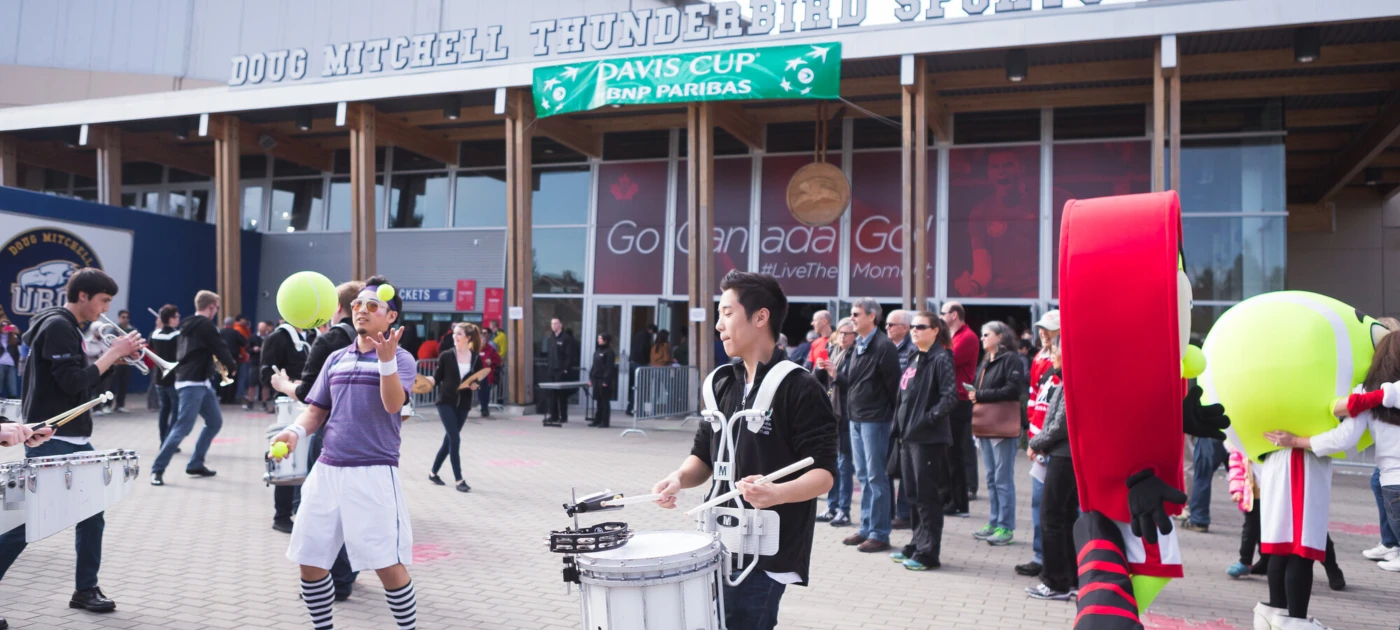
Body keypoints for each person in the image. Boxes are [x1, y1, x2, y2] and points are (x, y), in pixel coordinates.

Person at [651, 270, 837, 630]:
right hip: (716, 542)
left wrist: (777, 492)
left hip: (766, 551)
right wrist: (677, 478)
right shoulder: (722, 383)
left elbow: (824, 474)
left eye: (727, 313)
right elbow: (703, 457)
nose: (719, 325)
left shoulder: (801, 388)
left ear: (760, 317)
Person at [270, 276, 420, 630]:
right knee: (310, 561)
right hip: (326, 470)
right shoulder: (336, 357)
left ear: (391, 317)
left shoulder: (402, 359)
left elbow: (393, 405)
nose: (361, 311)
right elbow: (317, 409)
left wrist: (386, 363)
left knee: (386, 564)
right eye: (357, 305)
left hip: (373, 472)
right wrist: (293, 431)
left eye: (372, 306)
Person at [1, 268, 138, 621]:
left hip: (73, 439)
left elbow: (79, 386)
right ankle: (85, 587)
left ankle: (85, 588)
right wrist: (110, 356)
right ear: (83, 296)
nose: (106, 309)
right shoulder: (59, 326)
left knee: (92, 514)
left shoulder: (66, 327)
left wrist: (110, 362)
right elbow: (73, 382)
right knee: (24, 523)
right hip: (52, 440)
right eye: (103, 301)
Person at [270, 280, 364, 599]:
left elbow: (312, 395)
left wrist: (283, 384)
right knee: (351, 507)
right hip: (366, 438)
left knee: (325, 509)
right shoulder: (373, 338)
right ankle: (348, 572)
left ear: (335, 306)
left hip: (330, 430)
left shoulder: (332, 340)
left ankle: (337, 581)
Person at [888, 312, 956, 571]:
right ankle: (917, 543)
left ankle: (929, 552)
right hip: (909, 438)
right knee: (913, 494)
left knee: (927, 497)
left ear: (935, 330)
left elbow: (949, 398)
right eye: (913, 327)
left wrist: (925, 420)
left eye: (920, 326)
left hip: (928, 438)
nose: (914, 330)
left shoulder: (941, 358)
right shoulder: (915, 357)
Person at [150, 291, 236, 486]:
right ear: (211, 306)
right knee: (182, 427)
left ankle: (196, 463)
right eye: (216, 308)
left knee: (214, 422)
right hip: (192, 383)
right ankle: (157, 470)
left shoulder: (186, 324)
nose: (216, 311)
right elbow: (220, 346)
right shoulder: (205, 325)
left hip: (200, 381)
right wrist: (232, 365)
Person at [840, 298, 902, 553]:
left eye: (856, 314)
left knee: (877, 477)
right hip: (857, 417)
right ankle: (867, 527)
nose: (852, 318)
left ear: (871, 317)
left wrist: (888, 417)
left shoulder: (884, 346)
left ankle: (879, 533)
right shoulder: (858, 345)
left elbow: (893, 386)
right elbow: (854, 381)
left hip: (876, 420)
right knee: (864, 476)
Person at [1026, 338, 1076, 600]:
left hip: (1064, 456)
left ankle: (1056, 582)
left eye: (1056, 349)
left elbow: (1060, 425)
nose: (1052, 355)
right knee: (1065, 518)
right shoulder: (1065, 380)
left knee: (1052, 518)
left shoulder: (1073, 381)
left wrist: (1036, 443)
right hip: (1063, 454)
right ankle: (1070, 579)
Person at [954, 149, 1039, 298]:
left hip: (1036, 290)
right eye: (994, 167)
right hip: (1000, 293)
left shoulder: (1043, 202)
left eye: (1008, 165)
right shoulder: (980, 211)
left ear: (1021, 168)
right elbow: (982, 271)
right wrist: (972, 286)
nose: (1001, 172)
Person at [970, 320, 1025, 547]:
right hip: (987, 425)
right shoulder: (986, 362)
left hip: (1002, 426)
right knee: (992, 478)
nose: (982, 338)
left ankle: (1006, 526)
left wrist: (980, 395)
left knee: (1003, 479)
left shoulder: (1010, 359)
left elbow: (1013, 389)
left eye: (986, 335)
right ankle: (994, 522)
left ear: (1000, 337)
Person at [1018, 309, 1060, 577]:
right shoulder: (1038, 359)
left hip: (1056, 444)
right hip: (1040, 443)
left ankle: (1058, 558)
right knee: (1038, 503)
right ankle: (1040, 554)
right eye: (1041, 328)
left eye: (1049, 329)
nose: (1042, 333)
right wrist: (1033, 436)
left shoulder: (1063, 360)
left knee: (1057, 507)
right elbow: (1034, 399)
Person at [261, 316, 309, 533]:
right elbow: (265, 373)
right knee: (288, 461)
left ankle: (300, 510)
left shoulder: (311, 335)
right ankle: (281, 515)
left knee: (307, 461)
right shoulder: (279, 337)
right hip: (289, 407)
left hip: (310, 406)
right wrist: (287, 383)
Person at [427, 322, 481, 493]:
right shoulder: (446, 355)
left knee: (449, 440)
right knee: (455, 439)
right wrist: (424, 382)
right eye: (454, 334)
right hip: (446, 402)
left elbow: (477, 380)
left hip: (464, 404)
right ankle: (459, 480)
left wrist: (475, 386)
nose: (455, 337)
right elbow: (437, 378)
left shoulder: (475, 358)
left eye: (459, 334)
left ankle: (433, 472)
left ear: (468, 338)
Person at [816, 318, 857, 527]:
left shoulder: (856, 354)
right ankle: (831, 507)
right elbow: (819, 381)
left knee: (844, 464)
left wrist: (835, 374)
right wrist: (820, 368)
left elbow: (855, 384)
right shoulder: (833, 350)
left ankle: (844, 510)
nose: (842, 337)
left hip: (847, 414)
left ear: (855, 336)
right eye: (840, 332)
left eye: (847, 334)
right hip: (831, 413)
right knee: (832, 463)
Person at [940, 301, 978, 516]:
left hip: (959, 400)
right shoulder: (954, 337)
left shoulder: (967, 337)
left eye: (943, 313)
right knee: (948, 453)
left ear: (954, 315)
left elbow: (947, 360)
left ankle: (958, 501)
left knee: (954, 453)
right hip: (951, 398)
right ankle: (950, 498)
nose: (941, 316)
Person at [884, 309, 915, 530]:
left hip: (904, 416)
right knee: (887, 464)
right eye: (886, 325)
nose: (887, 328)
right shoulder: (888, 348)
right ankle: (889, 511)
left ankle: (904, 513)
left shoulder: (912, 351)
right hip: (887, 414)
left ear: (905, 327)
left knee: (903, 467)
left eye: (892, 325)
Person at [149, 305, 182, 446]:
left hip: (158, 378)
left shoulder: (155, 334)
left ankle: (163, 440)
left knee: (164, 410)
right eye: (176, 317)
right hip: (173, 378)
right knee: (175, 411)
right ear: (170, 319)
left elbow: (150, 344)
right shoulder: (176, 335)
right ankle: (170, 442)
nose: (178, 319)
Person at [589, 333, 617, 428]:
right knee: (598, 401)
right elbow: (594, 365)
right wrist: (591, 378)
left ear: (605, 340)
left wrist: (606, 381)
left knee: (604, 401)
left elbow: (609, 368)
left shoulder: (609, 352)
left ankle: (605, 422)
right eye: (598, 338)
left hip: (603, 380)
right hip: (596, 378)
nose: (598, 340)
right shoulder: (597, 351)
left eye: (600, 338)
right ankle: (597, 420)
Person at [108, 310, 134, 413]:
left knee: (124, 384)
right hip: (116, 361)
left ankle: (120, 405)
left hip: (127, 361)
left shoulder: (132, 330)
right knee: (111, 384)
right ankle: (107, 405)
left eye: (127, 317)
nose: (125, 319)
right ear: (119, 318)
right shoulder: (114, 330)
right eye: (123, 317)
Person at [218, 316, 247, 403]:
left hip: (221, 359)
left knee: (223, 377)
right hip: (233, 359)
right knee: (233, 378)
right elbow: (244, 342)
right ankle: (231, 398)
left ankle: (223, 398)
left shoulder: (220, 332)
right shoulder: (235, 333)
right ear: (232, 324)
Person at [627, 324, 654, 415]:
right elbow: (644, 350)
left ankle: (630, 408)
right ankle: (638, 410)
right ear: (650, 330)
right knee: (640, 388)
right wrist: (647, 361)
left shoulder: (638, 335)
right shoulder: (645, 337)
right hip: (640, 364)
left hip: (633, 362)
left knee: (635, 387)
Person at [244, 320, 270, 412]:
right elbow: (247, 348)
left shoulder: (269, 337)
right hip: (254, 363)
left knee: (265, 384)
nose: (262, 329)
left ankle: (264, 403)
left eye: (264, 327)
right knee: (252, 384)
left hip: (266, 363)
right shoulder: (253, 337)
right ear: (258, 328)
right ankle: (250, 402)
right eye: (261, 327)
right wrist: (253, 349)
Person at [477, 335, 500, 418]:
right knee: (480, 393)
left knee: (486, 392)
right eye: (480, 340)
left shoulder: (490, 349)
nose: (482, 342)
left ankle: (484, 409)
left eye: (483, 340)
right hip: (478, 374)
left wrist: (491, 361)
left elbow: (498, 360)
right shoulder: (475, 349)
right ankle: (483, 408)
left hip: (487, 374)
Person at [0, 320, 20, 398]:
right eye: (2, 326)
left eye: (7, 326)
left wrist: (17, 332)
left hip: (11, 365)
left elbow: (24, 342)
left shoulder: (14, 338)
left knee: (13, 391)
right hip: (0, 365)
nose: (5, 328)